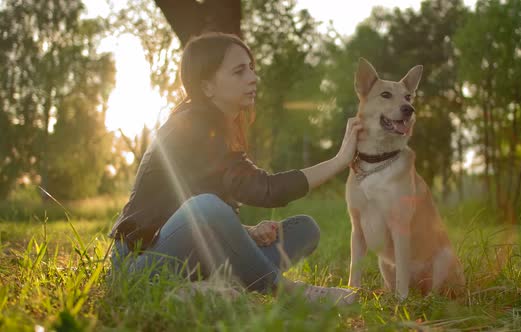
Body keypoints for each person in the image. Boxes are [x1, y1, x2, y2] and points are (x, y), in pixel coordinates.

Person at [109, 32, 363, 305]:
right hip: (139, 264)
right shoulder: (191, 126)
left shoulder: (219, 130)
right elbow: (263, 191)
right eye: (239, 71)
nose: (252, 78)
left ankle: (203, 287)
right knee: (207, 206)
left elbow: (191, 209)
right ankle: (288, 290)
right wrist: (339, 160)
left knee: (303, 229)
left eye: (251, 68)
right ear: (207, 87)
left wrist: (248, 230)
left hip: (188, 256)